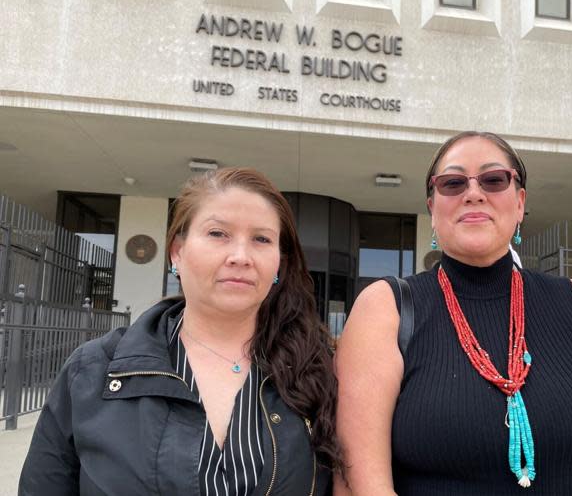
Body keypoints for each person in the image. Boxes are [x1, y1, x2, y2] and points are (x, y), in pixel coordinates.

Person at [335, 131, 572, 495]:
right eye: (452, 182)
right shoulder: (386, 309)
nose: (473, 193)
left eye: (494, 180)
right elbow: (360, 482)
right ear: (432, 208)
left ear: (520, 202)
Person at [20, 168, 339, 495]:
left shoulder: (317, 369)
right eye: (218, 233)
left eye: (261, 239)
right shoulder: (92, 371)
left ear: (278, 264)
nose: (241, 257)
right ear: (177, 252)